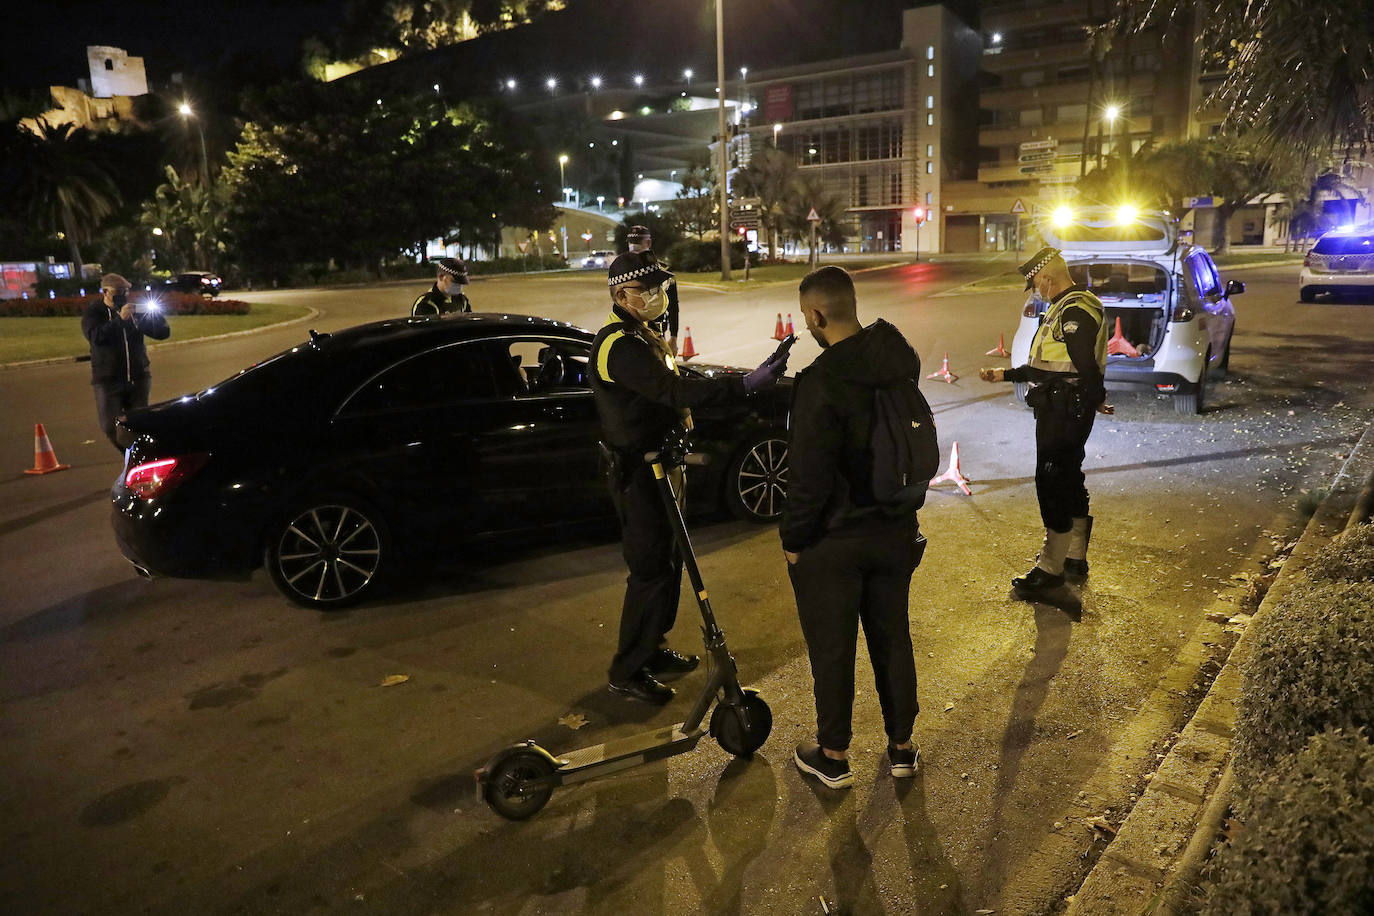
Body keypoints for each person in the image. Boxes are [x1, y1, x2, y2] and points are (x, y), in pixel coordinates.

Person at [590, 250, 788, 704]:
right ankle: (627, 668)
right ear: (622, 294)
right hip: (637, 475)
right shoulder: (617, 346)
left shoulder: (641, 334)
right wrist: (743, 386)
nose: (659, 296)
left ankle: (652, 647)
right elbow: (673, 390)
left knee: (670, 562)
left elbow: (676, 380)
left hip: (660, 467)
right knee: (649, 569)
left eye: (661, 287)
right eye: (650, 289)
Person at [782, 265, 925, 789]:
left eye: (807, 316)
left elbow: (808, 478)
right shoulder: (896, 361)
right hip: (895, 527)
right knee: (893, 637)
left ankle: (834, 754)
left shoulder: (821, 382)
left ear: (817, 315)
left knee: (833, 647)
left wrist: (794, 542)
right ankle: (903, 747)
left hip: (835, 540)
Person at [979, 246, 1113, 598]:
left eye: (1036, 284)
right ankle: (1074, 557)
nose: (1036, 290)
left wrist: (1095, 396)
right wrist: (1004, 374)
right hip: (1067, 406)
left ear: (1046, 278)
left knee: (1051, 481)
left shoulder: (1073, 312)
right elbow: (1052, 365)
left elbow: (1083, 364)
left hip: (1064, 409)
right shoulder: (1075, 304)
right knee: (1068, 477)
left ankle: (1050, 569)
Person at [82, 273, 171, 453]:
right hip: (108, 380)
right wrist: (119, 321)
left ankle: (142, 459)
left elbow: (163, 332)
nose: (123, 295)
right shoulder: (95, 312)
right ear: (105, 291)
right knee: (110, 426)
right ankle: (131, 457)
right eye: (119, 291)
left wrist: (146, 319)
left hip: (138, 378)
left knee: (140, 425)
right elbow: (96, 337)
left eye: (126, 291)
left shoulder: (134, 310)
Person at [625, 225, 680, 355]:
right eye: (632, 243)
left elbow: (673, 305)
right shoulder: (623, 272)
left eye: (638, 242)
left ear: (648, 243)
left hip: (657, 334)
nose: (634, 246)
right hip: (630, 333)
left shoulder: (664, 272)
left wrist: (674, 336)